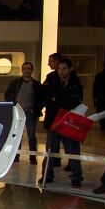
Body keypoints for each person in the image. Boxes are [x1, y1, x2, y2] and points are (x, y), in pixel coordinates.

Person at [39, 58, 84, 188]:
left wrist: (57, 100)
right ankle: (47, 175)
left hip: (69, 121)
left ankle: (76, 177)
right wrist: (58, 100)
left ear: (69, 69)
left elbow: (74, 102)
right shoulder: (52, 81)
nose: (61, 72)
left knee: (73, 150)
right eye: (59, 69)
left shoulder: (75, 84)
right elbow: (47, 99)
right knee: (50, 150)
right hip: (53, 121)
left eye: (64, 69)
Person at [4, 61, 43, 164]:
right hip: (18, 112)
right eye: (25, 68)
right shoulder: (15, 83)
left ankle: (33, 157)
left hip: (30, 113)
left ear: (31, 70)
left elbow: (41, 99)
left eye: (28, 68)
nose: (26, 70)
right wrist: (13, 105)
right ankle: (16, 155)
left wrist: (34, 109)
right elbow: (7, 95)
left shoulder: (36, 85)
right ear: (22, 70)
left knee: (31, 135)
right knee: (17, 135)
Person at [41, 52, 64, 168]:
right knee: (53, 140)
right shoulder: (51, 77)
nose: (48, 64)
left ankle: (51, 165)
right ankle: (53, 163)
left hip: (61, 115)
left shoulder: (69, 80)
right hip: (53, 114)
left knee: (55, 141)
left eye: (50, 61)